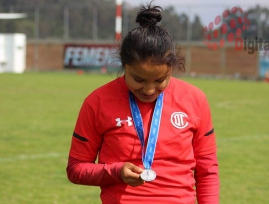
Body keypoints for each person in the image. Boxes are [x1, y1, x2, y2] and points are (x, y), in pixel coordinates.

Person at [67, 3, 219, 204]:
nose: (148, 90)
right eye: (138, 80)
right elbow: (76, 168)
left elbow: (207, 169)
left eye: (159, 81)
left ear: (171, 69)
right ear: (124, 66)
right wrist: (115, 172)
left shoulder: (195, 99)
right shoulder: (97, 102)